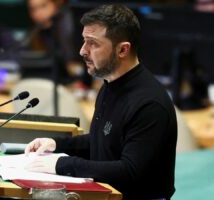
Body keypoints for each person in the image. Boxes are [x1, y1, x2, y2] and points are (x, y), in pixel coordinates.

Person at [25, 4, 177, 200]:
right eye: (83, 41)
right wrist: (57, 144)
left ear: (123, 49)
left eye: (93, 43)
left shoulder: (149, 103)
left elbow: (130, 171)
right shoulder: (110, 85)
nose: (82, 51)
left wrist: (62, 164)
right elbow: (104, 141)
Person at [26, 0, 90, 85]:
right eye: (33, 9)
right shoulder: (40, 33)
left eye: (43, 6)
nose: (38, 14)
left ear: (57, 4)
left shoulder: (77, 26)